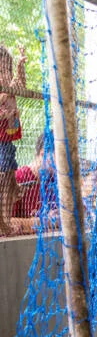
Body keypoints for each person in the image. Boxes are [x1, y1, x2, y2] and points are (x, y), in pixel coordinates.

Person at [0, 45, 26, 236]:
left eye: (8, 69)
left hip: (8, 143)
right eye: (2, 69)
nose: (6, 74)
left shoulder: (9, 86)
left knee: (9, 179)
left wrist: (20, 66)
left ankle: (6, 221)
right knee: (3, 181)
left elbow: (21, 86)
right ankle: (2, 223)